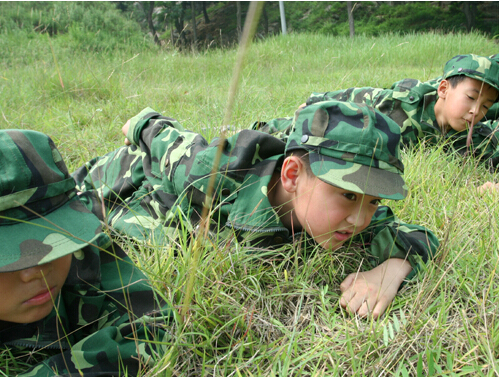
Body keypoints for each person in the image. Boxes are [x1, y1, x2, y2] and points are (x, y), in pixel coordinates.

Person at [74, 100, 439, 320]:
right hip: (133, 174)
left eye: (374, 201)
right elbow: (168, 143)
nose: (361, 219)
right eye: (347, 196)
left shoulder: (353, 218)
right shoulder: (214, 173)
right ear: (293, 175)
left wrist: (391, 270)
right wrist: (141, 124)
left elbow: (421, 237)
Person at [0, 130, 170, 376]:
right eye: (8, 255)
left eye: (51, 240)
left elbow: (151, 329)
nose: (37, 270)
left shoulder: (82, 253)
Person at [252, 54, 499, 173]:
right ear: (443, 88)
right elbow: (351, 100)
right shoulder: (397, 110)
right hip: (346, 108)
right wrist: (316, 103)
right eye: (471, 97)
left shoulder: (475, 136)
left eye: (486, 106)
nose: (476, 111)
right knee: (296, 132)